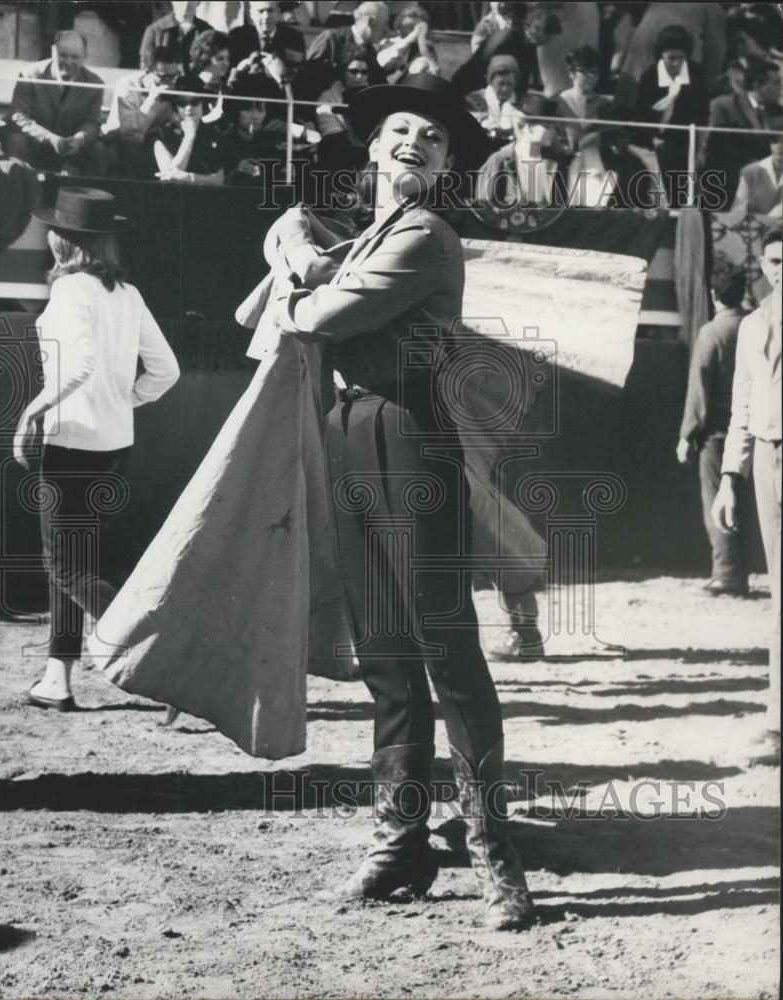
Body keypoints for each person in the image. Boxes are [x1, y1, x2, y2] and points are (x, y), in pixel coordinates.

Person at [268, 73, 535, 930]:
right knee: (385, 648)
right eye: (398, 131)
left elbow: (316, 316)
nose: (412, 141)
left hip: (412, 434)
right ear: (373, 149)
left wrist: (295, 270)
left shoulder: (423, 234)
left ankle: (495, 854)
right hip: (353, 429)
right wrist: (299, 257)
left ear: (447, 163)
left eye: (432, 136)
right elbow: (312, 281)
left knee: (446, 647)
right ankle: (400, 842)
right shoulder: (373, 234)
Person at [12, 186, 180, 710]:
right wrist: (123, 400)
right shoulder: (127, 294)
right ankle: (56, 680)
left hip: (70, 443)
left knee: (66, 567)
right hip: (113, 446)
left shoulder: (70, 292)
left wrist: (31, 412)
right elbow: (167, 371)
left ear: (62, 240)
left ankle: (166, 659)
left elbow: (78, 365)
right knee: (73, 563)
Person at [712, 227, 782, 763]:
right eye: (774, 260)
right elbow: (741, 406)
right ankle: (777, 724)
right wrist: (730, 479)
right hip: (765, 458)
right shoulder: (754, 324)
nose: (781, 269)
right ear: (761, 263)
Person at [677, 255, 749, 597]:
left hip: (719, 434)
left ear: (713, 295)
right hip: (754, 429)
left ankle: (727, 574)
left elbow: (698, 391)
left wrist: (686, 434)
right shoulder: (754, 325)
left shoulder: (712, 332)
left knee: (717, 506)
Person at [0, 30, 106, 177]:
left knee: (97, 150)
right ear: (53, 52)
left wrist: (79, 139)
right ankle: (16, 195)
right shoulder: (29, 74)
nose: (68, 62)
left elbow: (92, 122)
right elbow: (19, 117)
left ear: (84, 57)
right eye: (63, 55)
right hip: (34, 144)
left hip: (70, 149)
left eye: (74, 57)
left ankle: (88, 197)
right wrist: (51, 139)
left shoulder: (95, 84)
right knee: (17, 141)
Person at [635, 24, 709, 208]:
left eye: (680, 58)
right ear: (661, 55)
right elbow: (641, 117)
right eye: (671, 58)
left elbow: (702, 115)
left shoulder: (697, 75)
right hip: (654, 140)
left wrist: (701, 149)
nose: (676, 63)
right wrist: (653, 140)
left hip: (686, 140)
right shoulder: (649, 77)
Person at [707, 61, 783, 208]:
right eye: (776, 83)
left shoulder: (779, 112)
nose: (781, 88)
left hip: (768, 175)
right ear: (757, 85)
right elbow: (720, 147)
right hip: (730, 174)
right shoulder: (723, 106)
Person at [103, 45, 182, 179]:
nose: (169, 83)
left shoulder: (175, 85)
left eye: (173, 76)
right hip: (121, 138)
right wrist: (153, 100)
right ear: (147, 71)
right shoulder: (127, 85)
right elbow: (129, 129)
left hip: (155, 139)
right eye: (164, 77)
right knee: (134, 153)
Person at [303, 0, 390, 94]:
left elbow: (381, 85)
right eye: (385, 23)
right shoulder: (331, 38)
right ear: (371, 22)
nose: (387, 30)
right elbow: (308, 73)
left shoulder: (371, 51)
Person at [151, 76, 226, 185]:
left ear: (203, 104)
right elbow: (169, 177)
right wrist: (189, 136)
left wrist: (187, 177)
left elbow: (219, 179)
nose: (188, 108)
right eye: (182, 103)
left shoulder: (213, 134)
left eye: (194, 102)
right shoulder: (162, 133)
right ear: (176, 106)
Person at [228, 0, 306, 81]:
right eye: (260, 11)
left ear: (278, 13)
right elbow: (228, 75)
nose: (266, 16)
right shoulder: (237, 37)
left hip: (279, 91)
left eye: (271, 10)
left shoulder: (293, 37)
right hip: (245, 90)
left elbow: (301, 75)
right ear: (251, 14)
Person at [554, 46, 612, 152]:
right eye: (585, 71)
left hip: (594, 157)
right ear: (572, 73)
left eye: (595, 71)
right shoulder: (560, 101)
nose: (591, 76)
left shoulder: (604, 104)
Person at [140, 1, 213, 74]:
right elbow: (145, 67)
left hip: (198, 83)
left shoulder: (207, 31)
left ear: (198, 2)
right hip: (166, 83)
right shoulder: (155, 30)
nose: (186, 3)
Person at [467, 54, 523, 143]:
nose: (505, 89)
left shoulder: (522, 104)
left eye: (509, 84)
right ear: (491, 81)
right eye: (501, 84)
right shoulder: (473, 101)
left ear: (515, 83)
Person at [376, 4, 440, 82]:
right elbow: (385, 63)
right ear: (399, 27)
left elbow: (434, 71)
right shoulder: (388, 42)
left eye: (419, 26)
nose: (416, 30)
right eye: (409, 26)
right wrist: (413, 36)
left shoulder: (425, 47)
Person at [732, 136, 783, 217]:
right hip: (757, 227)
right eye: (775, 142)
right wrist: (741, 210)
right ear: (770, 144)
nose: (779, 146)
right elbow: (738, 208)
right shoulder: (750, 172)